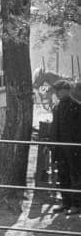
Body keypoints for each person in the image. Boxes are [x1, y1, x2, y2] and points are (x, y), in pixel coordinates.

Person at [48, 80, 81, 214]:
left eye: (60, 91)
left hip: (73, 149)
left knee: (75, 176)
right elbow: (54, 129)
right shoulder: (56, 107)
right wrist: (51, 145)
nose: (57, 94)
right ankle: (65, 203)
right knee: (63, 175)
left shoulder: (77, 107)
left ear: (68, 90)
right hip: (60, 148)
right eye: (56, 91)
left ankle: (77, 204)